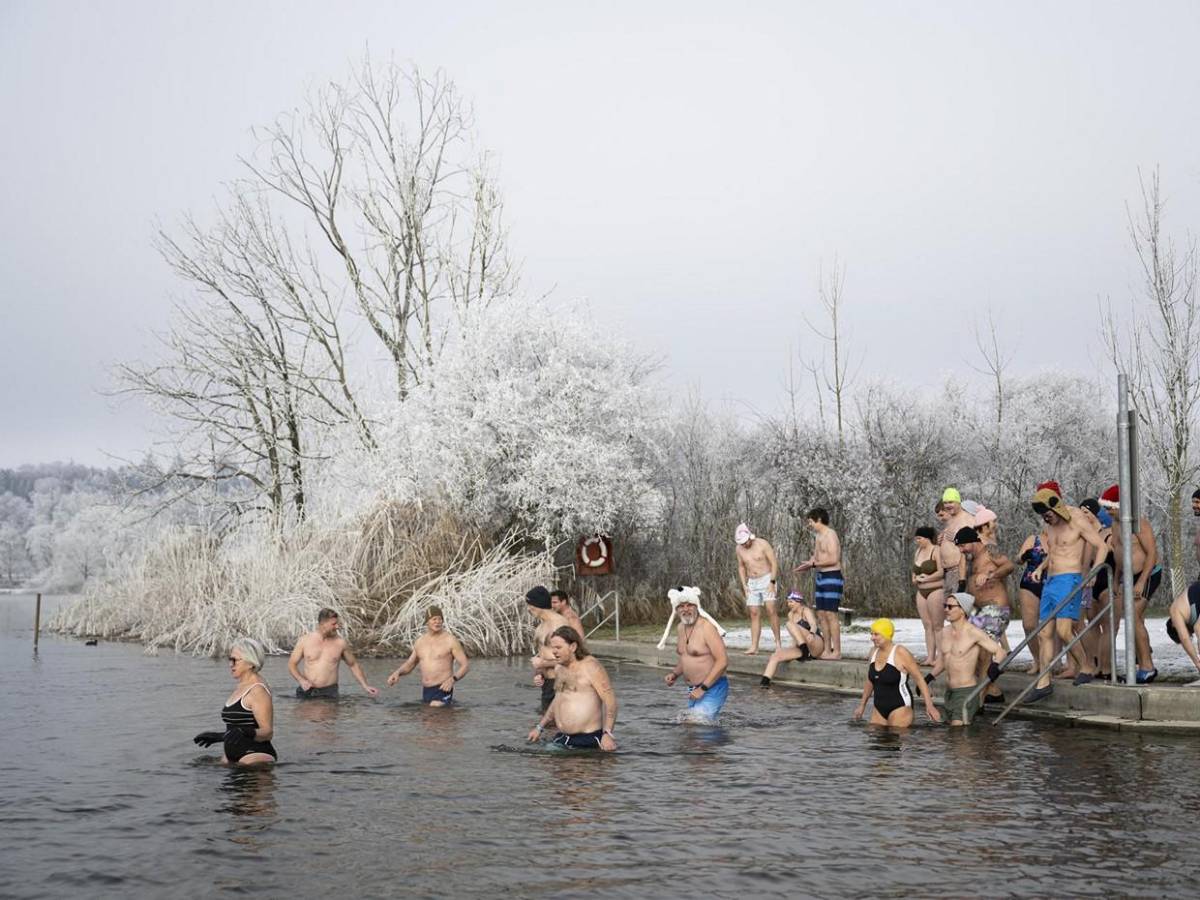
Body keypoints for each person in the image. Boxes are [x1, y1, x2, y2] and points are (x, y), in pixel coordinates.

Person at [1027, 488, 1108, 700]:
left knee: (1064, 631)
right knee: (1044, 633)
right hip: (1051, 581)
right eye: (1044, 516)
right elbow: (1055, 551)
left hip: (1069, 579)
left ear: (1057, 506)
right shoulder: (1050, 524)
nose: (1047, 519)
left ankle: (1087, 665)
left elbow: (1102, 547)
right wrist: (1040, 568)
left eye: (1049, 514)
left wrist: (1094, 571)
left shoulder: (1077, 520)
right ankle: (1043, 683)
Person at [1101, 484, 1162, 683]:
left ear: (1120, 506)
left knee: (1133, 616)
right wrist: (1117, 578)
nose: (1107, 511)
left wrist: (1141, 581)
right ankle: (1142, 661)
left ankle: (1147, 666)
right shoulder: (1115, 525)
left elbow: (1152, 554)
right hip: (1128, 576)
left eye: (1109, 507)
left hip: (1148, 572)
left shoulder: (1139, 524)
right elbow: (1119, 552)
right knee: (1136, 620)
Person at [527, 626, 618, 751]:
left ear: (573, 647)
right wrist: (539, 727)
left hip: (588, 739)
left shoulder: (591, 666)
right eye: (552, 647)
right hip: (564, 737)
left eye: (558, 648)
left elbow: (610, 701)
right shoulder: (560, 668)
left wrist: (607, 734)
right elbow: (558, 700)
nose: (554, 652)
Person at [194, 637, 277, 766]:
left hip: (255, 756)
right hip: (233, 757)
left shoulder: (257, 690)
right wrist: (219, 737)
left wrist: (244, 731)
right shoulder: (241, 686)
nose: (230, 664)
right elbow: (236, 730)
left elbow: (267, 732)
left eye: (235, 660)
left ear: (251, 663)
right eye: (229, 659)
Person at [927, 594, 1005, 725]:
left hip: (966, 692)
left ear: (963, 610)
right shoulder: (944, 633)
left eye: (950, 607)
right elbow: (942, 661)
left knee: (959, 735)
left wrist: (995, 666)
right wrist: (928, 678)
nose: (946, 609)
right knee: (950, 735)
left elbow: (1000, 652)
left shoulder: (973, 633)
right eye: (945, 606)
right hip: (950, 692)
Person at [853, 618, 941, 727]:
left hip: (900, 707)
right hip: (879, 708)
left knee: (895, 738)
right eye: (871, 634)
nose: (872, 638)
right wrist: (862, 705)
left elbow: (919, 679)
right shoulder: (873, 652)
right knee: (875, 740)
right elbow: (870, 681)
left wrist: (929, 705)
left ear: (887, 634)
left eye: (876, 634)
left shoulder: (900, 652)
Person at [664, 585, 730, 723]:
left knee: (694, 725)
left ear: (697, 606)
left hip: (712, 686)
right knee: (691, 728)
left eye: (689, 605)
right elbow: (686, 656)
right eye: (681, 606)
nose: (686, 609)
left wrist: (703, 688)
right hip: (693, 689)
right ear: (676, 609)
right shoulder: (681, 627)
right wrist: (675, 674)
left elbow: (722, 661)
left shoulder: (707, 627)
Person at [385, 606, 470, 706]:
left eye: (440, 619)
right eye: (434, 619)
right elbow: (410, 664)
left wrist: (452, 680)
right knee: (428, 717)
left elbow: (465, 665)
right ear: (427, 622)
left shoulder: (450, 640)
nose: (437, 622)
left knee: (435, 707)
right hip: (427, 690)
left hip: (443, 687)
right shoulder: (420, 642)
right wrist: (397, 673)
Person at [289, 608, 379, 699]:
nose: (337, 627)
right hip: (306, 691)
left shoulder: (340, 643)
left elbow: (353, 665)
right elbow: (292, 664)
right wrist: (301, 680)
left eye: (337, 623)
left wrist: (365, 686)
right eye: (333, 624)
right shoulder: (305, 640)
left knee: (330, 712)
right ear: (323, 624)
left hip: (329, 693)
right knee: (304, 713)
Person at [796, 508, 844, 659]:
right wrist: (807, 564)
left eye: (811, 521)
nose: (809, 524)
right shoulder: (818, 537)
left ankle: (837, 651)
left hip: (832, 576)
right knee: (822, 614)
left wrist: (814, 565)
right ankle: (827, 649)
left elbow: (833, 559)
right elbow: (816, 557)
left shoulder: (831, 534)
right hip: (820, 576)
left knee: (831, 614)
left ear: (819, 519)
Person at [760, 592, 825, 686]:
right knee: (776, 655)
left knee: (789, 624)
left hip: (815, 642)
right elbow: (795, 635)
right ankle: (764, 683)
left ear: (798, 602)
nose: (789, 604)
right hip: (803, 648)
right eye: (788, 602)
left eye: (791, 602)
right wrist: (788, 652)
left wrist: (811, 633)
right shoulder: (790, 614)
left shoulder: (805, 610)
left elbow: (813, 625)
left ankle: (805, 650)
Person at [734, 522, 781, 655]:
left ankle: (778, 644)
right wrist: (744, 585)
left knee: (771, 609)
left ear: (750, 536)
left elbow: (773, 563)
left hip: (766, 579)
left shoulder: (762, 544)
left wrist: (772, 581)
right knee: (754, 613)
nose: (745, 545)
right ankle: (754, 646)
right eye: (742, 543)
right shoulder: (739, 549)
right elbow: (741, 566)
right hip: (752, 583)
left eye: (746, 541)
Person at [526, 585, 569, 710]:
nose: (528, 609)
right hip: (547, 684)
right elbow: (541, 656)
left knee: (557, 725)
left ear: (538, 605)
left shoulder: (560, 624)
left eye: (530, 605)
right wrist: (538, 674)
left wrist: (542, 664)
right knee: (547, 724)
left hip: (561, 682)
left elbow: (569, 659)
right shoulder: (540, 628)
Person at [911, 526, 945, 666]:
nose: (917, 541)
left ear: (927, 538)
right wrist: (914, 578)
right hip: (921, 591)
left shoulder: (936, 550)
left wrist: (928, 578)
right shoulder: (918, 551)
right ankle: (930, 656)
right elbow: (914, 570)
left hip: (936, 589)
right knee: (927, 625)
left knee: (937, 625)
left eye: (919, 538)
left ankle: (941, 657)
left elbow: (942, 571)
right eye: (916, 538)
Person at [938, 488, 975, 595]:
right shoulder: (952, 518)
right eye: (945, 503)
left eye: (951, 502)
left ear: (958, 502)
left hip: (960, 572)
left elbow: (976, 544)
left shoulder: (967, 519)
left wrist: (959, 538)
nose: (948, 505)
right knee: (948, 609)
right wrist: (941, 540)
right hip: (948, 573)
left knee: (958, 609)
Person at [1166, 582, 1200, 681]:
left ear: (1174, 626)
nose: (1190, 636)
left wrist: (1197, 663)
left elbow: (1185, 638)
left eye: (1190, 635)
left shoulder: (1175, 610)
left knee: (1198, 628)